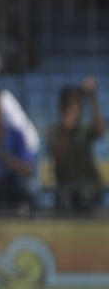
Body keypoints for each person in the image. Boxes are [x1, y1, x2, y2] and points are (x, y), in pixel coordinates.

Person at [48, 78, 105, 212]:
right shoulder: (55, 132)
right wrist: (65, 132)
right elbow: (59, 161)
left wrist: (93, 98)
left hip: (90, 187)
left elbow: (100, 131)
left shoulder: (84, 128)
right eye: (70, 105)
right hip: (66, 188)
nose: (75, 109)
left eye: (78, 105)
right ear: (62, 108)